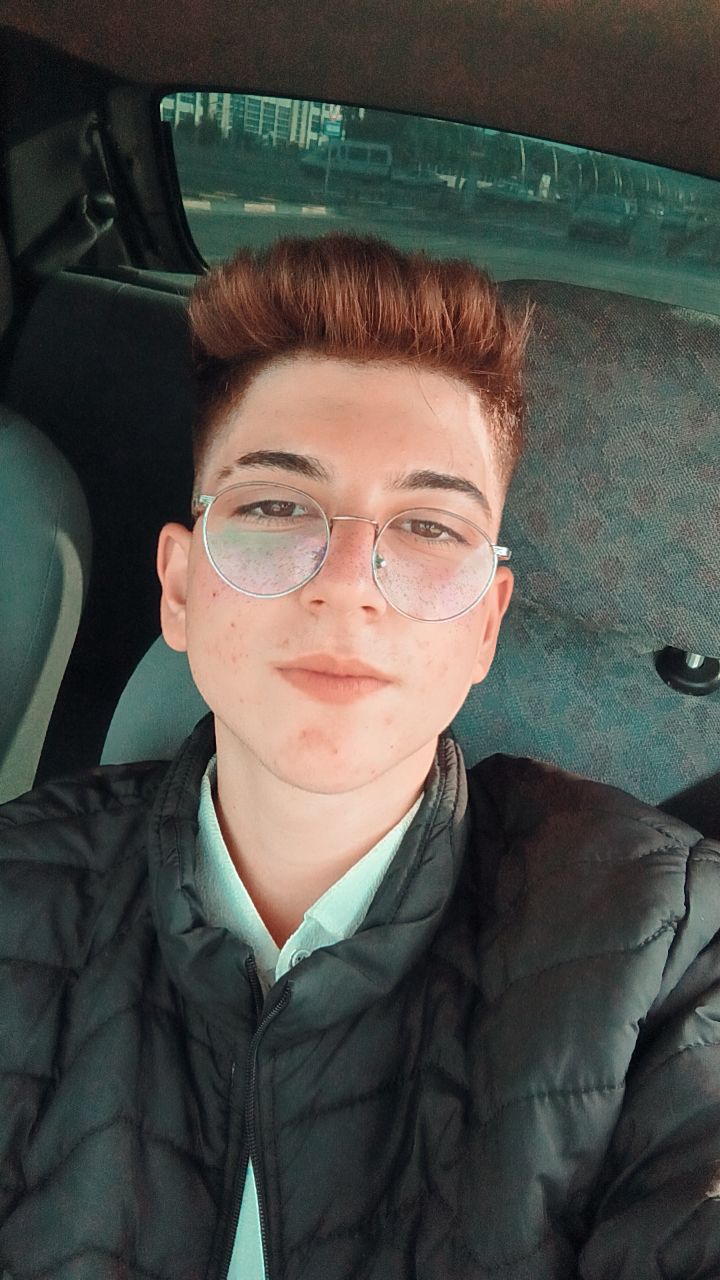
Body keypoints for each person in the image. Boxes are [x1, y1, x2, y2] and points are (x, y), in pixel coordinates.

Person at [1, 232, 719, 1280]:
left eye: (429, 527)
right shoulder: (16, 892)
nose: (346, 582)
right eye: (275, 505)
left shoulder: (666, 947)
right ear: (181, 588)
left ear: (486, 626)